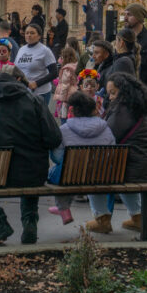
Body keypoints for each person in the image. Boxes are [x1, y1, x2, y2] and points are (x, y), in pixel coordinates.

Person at [0, 67, 61, 244]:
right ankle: (29, 221)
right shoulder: (35, 102)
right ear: (19, 81)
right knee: (29, 165)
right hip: (33, 172)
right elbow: (54, 139)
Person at [85, 72, 147, 234]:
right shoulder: (146, 106)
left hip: (138, 166)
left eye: (113, 92)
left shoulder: (124, 109)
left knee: (91, 170)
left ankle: (101, 218)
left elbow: (107, 137)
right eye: (109, 93)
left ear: (125, 91)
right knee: (121, 171)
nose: (110, 97)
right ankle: (137, 217)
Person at [47, 91, 115, 225]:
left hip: (71, 175)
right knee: (84, 171)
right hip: (102, 174)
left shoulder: (64, 129)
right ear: (94, 110)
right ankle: (101, 217)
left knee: (57, 171)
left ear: (71, 110)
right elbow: (111, 152)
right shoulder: (105, 128)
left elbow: (57, 157)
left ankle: (64, 208)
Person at [14, 23, 58, 107]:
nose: (29, 35)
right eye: (27, 33)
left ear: (39, 36)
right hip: (23, 92)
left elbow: (54, 73)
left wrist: (36, 83)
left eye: (32, 33)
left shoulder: (45, 51)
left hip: (40, 93)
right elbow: (16, 69)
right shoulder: (22, 49)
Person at [53, 46, 80, 121]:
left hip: (66, 96)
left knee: (64, 116)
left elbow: (65, 85)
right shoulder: (75, 66)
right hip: (73, 91)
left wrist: (62, 98)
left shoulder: (67, 69)